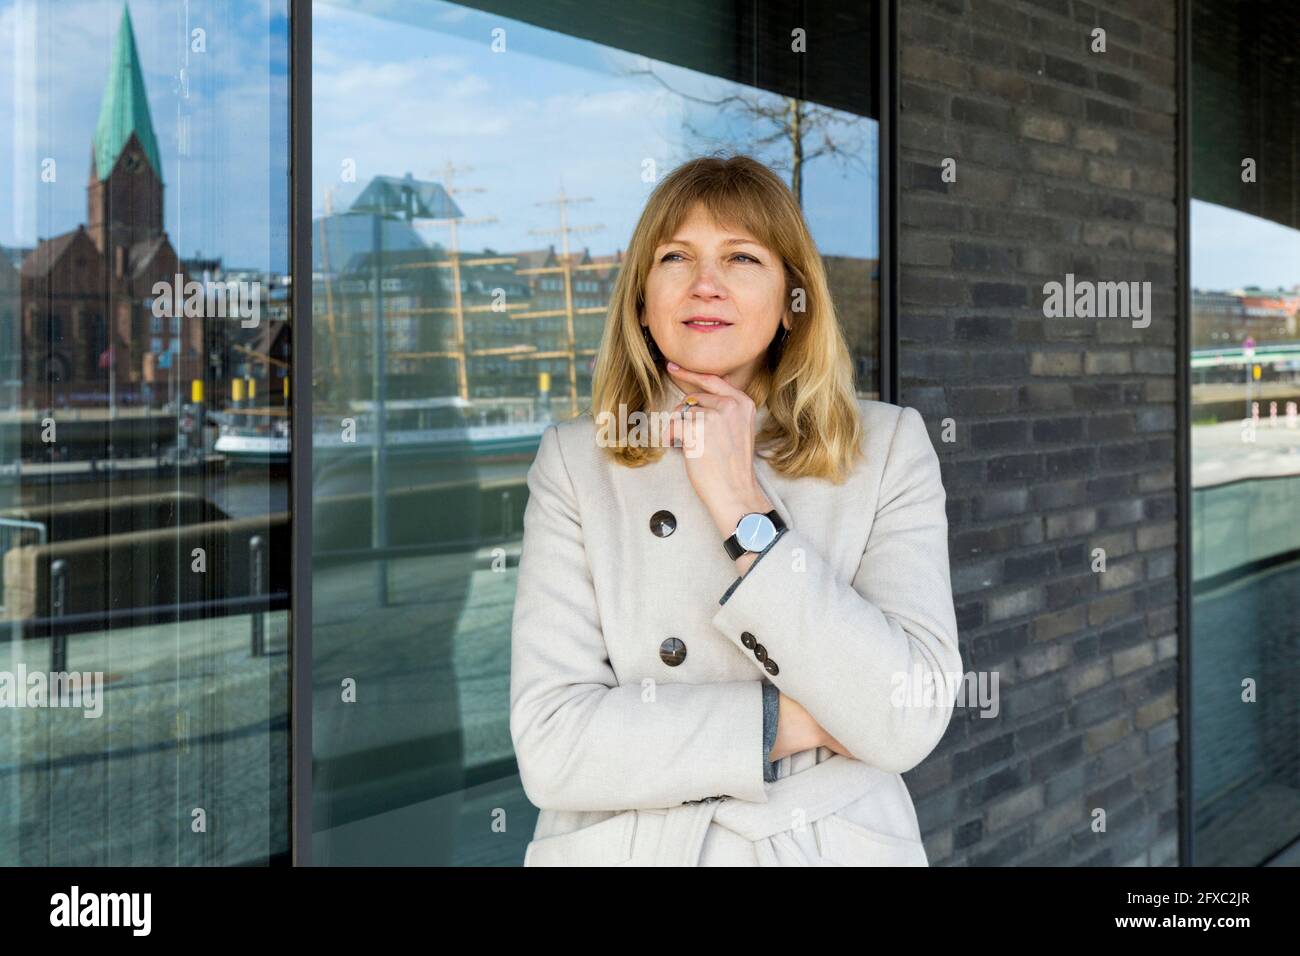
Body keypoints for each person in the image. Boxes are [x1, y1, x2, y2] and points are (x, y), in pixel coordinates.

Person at [509, 154, 961, 866]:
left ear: (791, 300)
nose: (705, 284)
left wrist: (739, 501)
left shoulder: (886, 449)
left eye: (742, 257)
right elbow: (552, 745)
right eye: (676, 257)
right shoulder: (574, 462)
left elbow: (907, 714)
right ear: (641, 299)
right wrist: (791, 719)